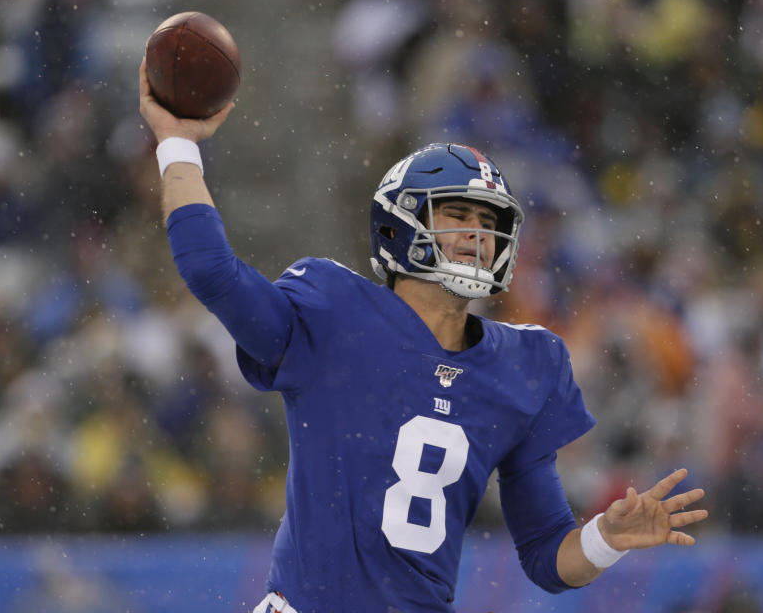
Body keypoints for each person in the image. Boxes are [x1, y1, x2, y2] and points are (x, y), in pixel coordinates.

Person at [137, 58, 708, 613]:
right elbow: (211, 269)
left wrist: (605, 537)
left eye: (489, 224)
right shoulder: (332, 310)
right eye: (457, 215)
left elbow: (545, 554)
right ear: (398, 223)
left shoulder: (527, 362)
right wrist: (177, 142)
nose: (476, 236)